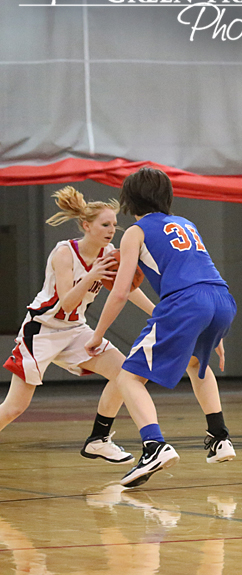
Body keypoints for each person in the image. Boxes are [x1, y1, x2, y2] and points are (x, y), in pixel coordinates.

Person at [85, 167, 237, 487]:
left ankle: (154, 446)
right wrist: (213, 332)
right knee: (198, 363)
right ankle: (219, 436)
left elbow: (121, 292)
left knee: (128, 376)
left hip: (185, 303)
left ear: (129, 199)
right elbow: (199, 273)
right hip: (220, 298)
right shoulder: (186, 223)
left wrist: (97, 335)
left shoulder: (136, 232)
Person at [2, 186, 156, 464]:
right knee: (14, 407)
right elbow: (66, 303)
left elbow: (127, 289)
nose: (112, 230)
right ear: (86, 225)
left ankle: (99, 439)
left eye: (114, 225)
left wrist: (156, 312)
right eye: (105, 224)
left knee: (128, 374)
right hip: (42, 331)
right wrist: (92, 275)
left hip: (75, 331)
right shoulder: (64, 253)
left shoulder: (110, 253)